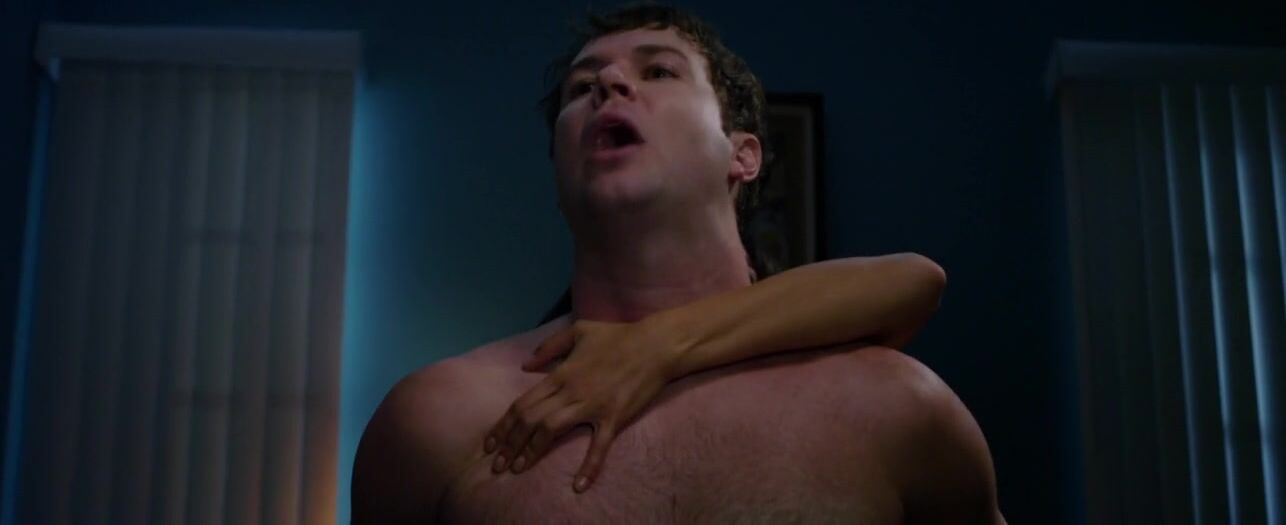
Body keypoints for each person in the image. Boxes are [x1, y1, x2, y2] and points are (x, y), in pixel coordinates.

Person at [353, 4, 1005, 523]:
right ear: (558, 176)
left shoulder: (895, 404)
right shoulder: (436, 424)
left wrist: (656, 346)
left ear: (743, 155)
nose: (607, 85)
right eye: (581, 87)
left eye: (659, 72)